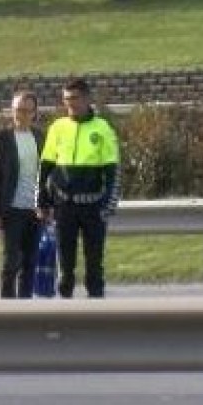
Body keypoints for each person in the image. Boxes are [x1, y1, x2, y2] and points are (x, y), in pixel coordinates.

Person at [36, 78, 121, 298]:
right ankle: (65, 312)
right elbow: (45, 166)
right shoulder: (57, 127)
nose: (70, 103)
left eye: (74, 98)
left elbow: (113, 171)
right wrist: (42, 202)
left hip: (93, 207)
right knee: (65, 268)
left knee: (94, 267)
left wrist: (109, 205)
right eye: (66, 99)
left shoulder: (102, 128)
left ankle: (96, 310)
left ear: (87, 98)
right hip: (64, 206)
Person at [0, 90, 45, 299]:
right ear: (12, 111)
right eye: (18, 110)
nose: (22, 115)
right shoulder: (1, 138)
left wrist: (48, 205)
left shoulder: (41, 137)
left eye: (27, 111)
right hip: (12, 209)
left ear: (34, 113)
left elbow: (48, 173)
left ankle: (24, 307)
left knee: (30, 262)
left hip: (35, 210)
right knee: (10, 263)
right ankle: (7, 307)